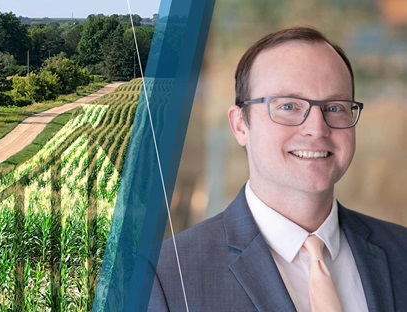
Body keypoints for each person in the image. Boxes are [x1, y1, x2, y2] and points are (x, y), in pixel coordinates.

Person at [147, 26, 407, 311]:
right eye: (288, 106)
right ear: (240, 125)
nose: (317, 129)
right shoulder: (165, 277)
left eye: (335, 107)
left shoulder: (401, 252)